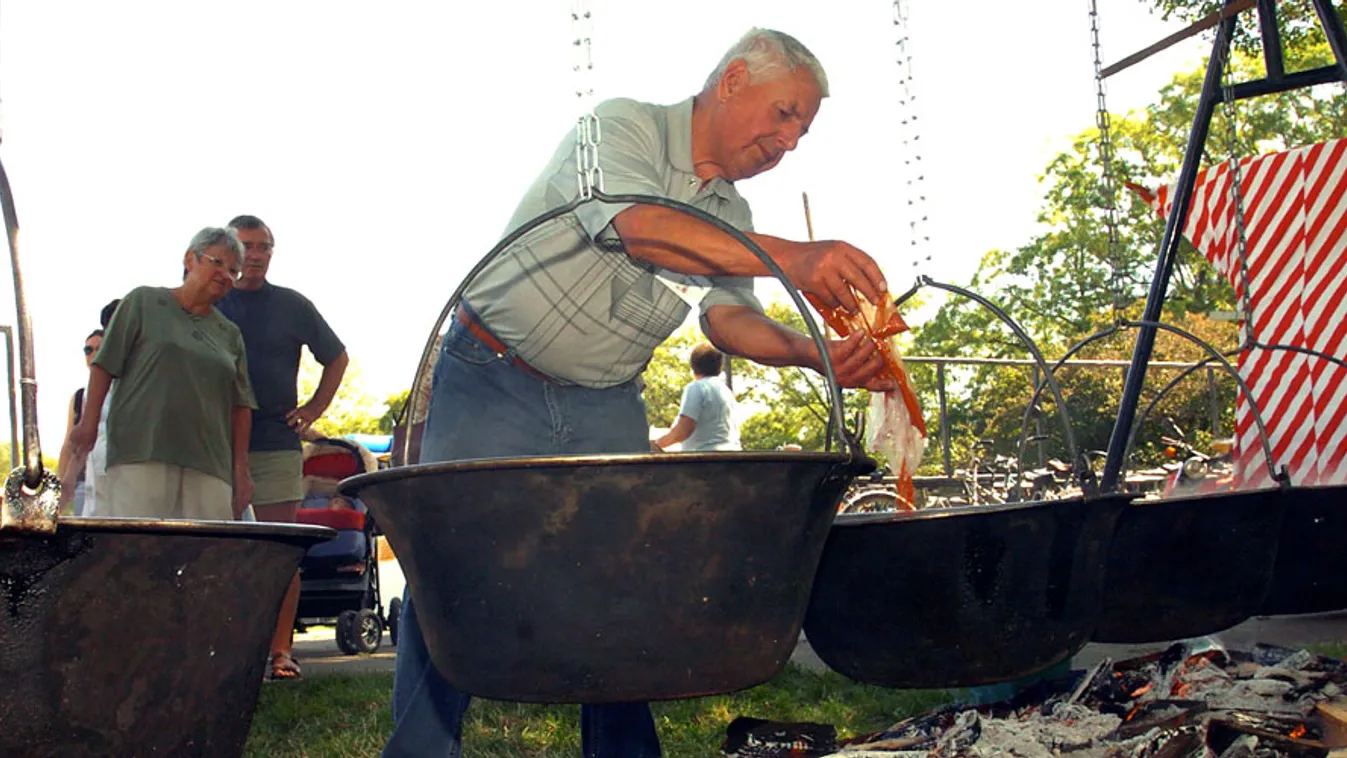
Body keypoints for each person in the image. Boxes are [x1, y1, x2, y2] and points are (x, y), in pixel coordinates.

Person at [387, 28, 897, 758]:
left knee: (618, 580)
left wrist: (816, 355)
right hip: (492, 372)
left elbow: (728, 320)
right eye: (783, 113)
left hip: (605, 398)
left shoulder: (734, 217)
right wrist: (794, 255)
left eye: (802, 129)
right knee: (454, 570)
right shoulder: (618, 126)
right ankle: (419, 751)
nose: (789, 141)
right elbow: (638, 227)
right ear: (731, 81)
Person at [218, 214, 348, 682]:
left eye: (264, 246)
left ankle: (280, 651)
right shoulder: (210, 300)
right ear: (227, 248)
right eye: (247, 246)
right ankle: (223, 651)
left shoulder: (292, 306)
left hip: (274, 442)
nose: (255, 255)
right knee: (217, 553)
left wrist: (314, 407)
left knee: (279, 549)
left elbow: (336, 356)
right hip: (211, 446)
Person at [67, 228, 256, 521]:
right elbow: (104, 365)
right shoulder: (143, 302)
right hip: (141, 450)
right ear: (190, 260)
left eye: (234, 271)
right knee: (137, 549)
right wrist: (88, 422)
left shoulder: (229, 334)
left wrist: (241, 470)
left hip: (208, 462)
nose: (225, 275)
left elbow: (241, 405)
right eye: (217, 262)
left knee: (206, 555)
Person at [652, 343, 740, 452]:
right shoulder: (726, 391)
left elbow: (684, 429)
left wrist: (656, 444)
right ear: (719, 366)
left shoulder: (697, 387)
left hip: (705, 460)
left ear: (693, 366)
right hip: (732, 458)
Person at [55, 328, 103, 514]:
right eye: (88, 350)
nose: (93, 354)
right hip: (83, 480)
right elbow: (69, 442)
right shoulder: (79, 397)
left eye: (99, 348)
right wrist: (62, 484)